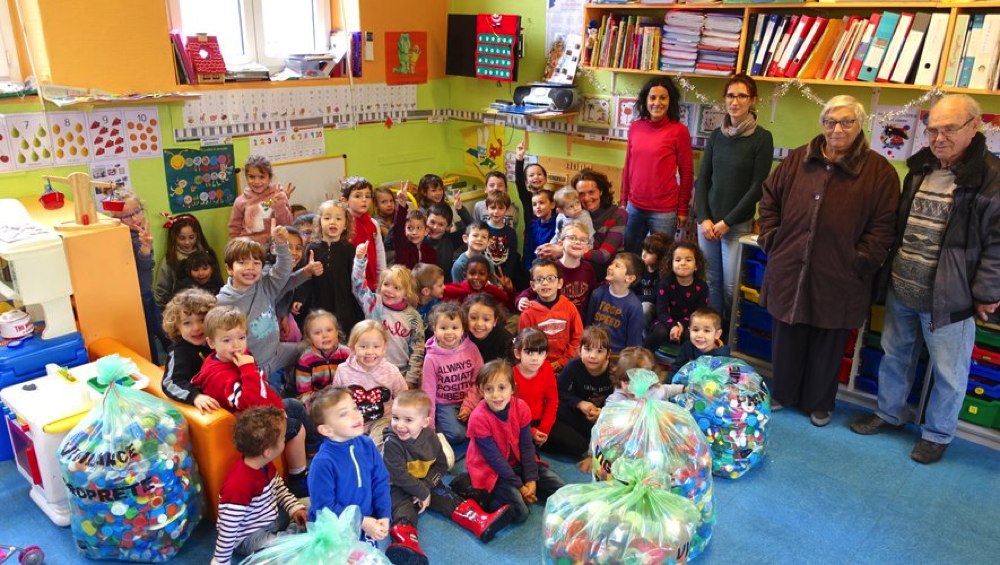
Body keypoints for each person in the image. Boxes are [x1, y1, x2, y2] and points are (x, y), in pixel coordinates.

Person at [851, 94, 1000, 464]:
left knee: (950, 372)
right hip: (903, 285)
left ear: (974, 127)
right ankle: (889, 413)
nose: (938, 138)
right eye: (932, 129)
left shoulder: (992, 180)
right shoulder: (919, 168)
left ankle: (937, 434)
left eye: (949, 129)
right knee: (895, 355)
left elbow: (997, 246)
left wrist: (986, 293)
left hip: (950, 296)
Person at [758, 94, 899, 427]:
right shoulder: (797, 159)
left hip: (841, 272)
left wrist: (859, 260)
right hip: (791, 263)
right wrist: (772, 238)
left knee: (829, 339)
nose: (837, 129)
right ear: (822, 124)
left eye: (846, 122)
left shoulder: (879, 171)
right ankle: (784, 393)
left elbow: (884, 227)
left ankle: (820, 402)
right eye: (830, 122)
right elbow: (769, 200)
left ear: (859, 124)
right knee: (788, 333)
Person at [383, 391, 514, 565]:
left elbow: (441, 465)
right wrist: (422, 492)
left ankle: (480, 521)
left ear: (425, 422)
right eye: (395, 418)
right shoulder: (392, 443)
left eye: (408, 420)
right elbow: (399, 476)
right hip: (396, 486)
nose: (399, 425)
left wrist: (427, 486)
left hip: (424, 482)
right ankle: (405, 543)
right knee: (403, 507)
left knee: (447, 496)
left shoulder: (431, 438)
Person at [192, 306, 310, 496]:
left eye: (241, 337)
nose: (237, 345)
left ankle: (312, 451)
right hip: (252, 424)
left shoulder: (233, 357)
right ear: (211, 343)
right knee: (296, 429)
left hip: (265, 409)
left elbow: (261, 387)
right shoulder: (220, 375)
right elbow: (250, 402)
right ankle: (297, 479)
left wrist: (277, 406)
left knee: (295, 405)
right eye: (227, 340)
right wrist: (248, 370)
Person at [696, 74, 774, 318]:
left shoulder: (761, 138)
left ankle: (729, 336)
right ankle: (713, 334)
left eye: (742, 96)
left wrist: (726, 222)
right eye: (731, 95)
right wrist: (703, 218)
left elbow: (757, 187)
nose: (735, 101)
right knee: (710, 283)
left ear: (752, 100)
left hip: (735, 225)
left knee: (731, 287)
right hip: (708, 224)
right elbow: (703, 180)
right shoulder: (717, 136)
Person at [217, 222, 323, 390]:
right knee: (272, 407)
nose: (250, 268)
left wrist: (281, 244)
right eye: (243, 263)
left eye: (256, 263)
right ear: (229, 269)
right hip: (254, 366)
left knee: (314, 350)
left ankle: (298, 386)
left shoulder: (264, 286)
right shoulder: (223, 302)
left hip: (276, 351)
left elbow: (283, 270)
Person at [460, 360, 567, 524]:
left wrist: (531, 478)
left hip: (517, 462)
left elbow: (526, 446)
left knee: (561, 490)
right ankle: (472, 489)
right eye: (489, 389)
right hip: (492, 469)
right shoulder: (478, 418)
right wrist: (520, 487)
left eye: (502, 387)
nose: (496, 395)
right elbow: (494, 459)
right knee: (520, 513)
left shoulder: (522, 407)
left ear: (512, 388)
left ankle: (518, 485)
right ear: (481, 390)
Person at [212, 406, 307, 565]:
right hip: (249, 537)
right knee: (285, 550)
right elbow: (228, 528)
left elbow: (279, 488)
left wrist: (294, 508)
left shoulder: (265, 464)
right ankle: (290, 538)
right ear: (268, 451)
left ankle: (293, 534)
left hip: (270, 518)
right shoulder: (239, 485)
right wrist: (220, 560)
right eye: (283, 438)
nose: (285, 440)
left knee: (309, 508)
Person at [307, 387, 391, 543]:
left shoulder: (367, 444)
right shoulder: (323, 463)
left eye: (355, 408)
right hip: (333, 532)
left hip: (364, 527)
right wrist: (361, 521)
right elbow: (324, 508)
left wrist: (384, 514)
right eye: (344, 414)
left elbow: (380, 481)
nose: (356, 415)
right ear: (327, 429)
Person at [621, 76, 694, 254]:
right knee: (630, 257)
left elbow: (687, 173)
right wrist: (624, 200)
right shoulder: (635, 127)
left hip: (664, 211)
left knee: (661, 261)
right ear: (645, 100)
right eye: (652, 97)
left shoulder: (679, 131)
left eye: (663, 97)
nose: (657, 103)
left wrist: (683, 208)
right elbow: (628, 164)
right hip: (634, 206)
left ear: (671, 101)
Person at [107, 191, 169, 363]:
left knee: (160, 329)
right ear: (116, 220)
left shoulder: (140, 234)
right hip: (137, 295)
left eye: (137, 212)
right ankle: (157, 364)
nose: (134, 219)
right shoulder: (128, 238)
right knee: (150, 333)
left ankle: (173, 359)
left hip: (144, 292)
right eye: (126, 216)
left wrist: (146, 246)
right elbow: (145, 264)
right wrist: (145, 248)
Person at [352, 243, 426, 386]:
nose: (389, 291)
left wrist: (410, 379)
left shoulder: (413, 317)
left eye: (397, 288)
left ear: (407, 292)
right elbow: (358, 285)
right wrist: (359, 260)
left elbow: (417, 349)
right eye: (386, 284)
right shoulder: (374, 303)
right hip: (371, 370)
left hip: (401, 373)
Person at [536, 169, 627, 281]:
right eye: (581, 194)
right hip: (574, 260)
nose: (587, 198)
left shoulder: (618, 214)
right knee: (539, 263)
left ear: (601, 191)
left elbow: (603, 255)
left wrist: (563, 250)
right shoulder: (574, 212)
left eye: (591, 192)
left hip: (602, 269)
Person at [547, 327, 614, 471]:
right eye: (588, 349)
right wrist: (579, 403)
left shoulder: (614, 371)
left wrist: (603, 413)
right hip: (578, 412)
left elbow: (621, 401)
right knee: (558, 410)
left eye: (599, 351)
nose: (592, 356)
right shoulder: (574, 366)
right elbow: (558, 391)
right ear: (580, 350)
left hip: (602, 417)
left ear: (608, 354)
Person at [333, 320, 408, 449]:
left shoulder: (391, 371)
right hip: (352, 420)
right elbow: (335, 400)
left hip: (382, 420)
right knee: (344, 446)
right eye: (363, 347)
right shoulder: (343, 370)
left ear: (384, 347)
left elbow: (404, 399)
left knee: (380, 443)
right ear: (352, 347)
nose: (369, 352)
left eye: (376, 346)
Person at [298, 200, 365, 339]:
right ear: (320, 222)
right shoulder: (312, 248)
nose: (332, 222)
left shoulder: (348, 249)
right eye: (327, 218)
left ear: (345, 224)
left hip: (343, 303)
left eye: (338, 218)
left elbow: (355, 279)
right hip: (319, 302)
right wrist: (300, 299)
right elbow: (305, 279)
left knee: (343, 336)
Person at [421, 302, 484, 446]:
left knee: (484, 426)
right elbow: (428, 392)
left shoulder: (472, 349)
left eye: (455, 327)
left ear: (463, 329)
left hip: (470, 399)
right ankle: (440, 421)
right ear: (434, 329)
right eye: (443, 328)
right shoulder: (431, 358)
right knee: (457, 435)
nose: (449, 332)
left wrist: (469, 405)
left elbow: (479, 381)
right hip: (445, 404)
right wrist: (429, 425)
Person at [516, 223, 596, 318]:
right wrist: (521, 300)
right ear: (560, 244)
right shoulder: (551, 269)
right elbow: (531, 290)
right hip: (555, 321)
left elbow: (593, 291)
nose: (577, 242)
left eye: (582, 240)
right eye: (572, 238)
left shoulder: (588, 268)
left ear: (587, 248)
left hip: (578, 321)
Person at [518, 259, 583, 373]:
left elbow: (578, 337)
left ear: (560, 283)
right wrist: (539, 364)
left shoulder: (569, 307)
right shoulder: (527, 314)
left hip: (568, 364)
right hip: (537, 367)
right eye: (539, 279)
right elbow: (524, 344)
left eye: (550, 278)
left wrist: (562, 361)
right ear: (533, 285)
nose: (545, 283)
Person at [160, 288, 220, 413]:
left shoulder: (216, 340)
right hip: (208, 402)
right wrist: (195, 396)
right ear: (177, 327)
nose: (196, 328)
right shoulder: (179, 352)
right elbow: (170, 383)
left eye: (202, 320)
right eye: (187, 323)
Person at [644, 241, 709, 352]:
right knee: (660, 332)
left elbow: (698, 314)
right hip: (665, 321)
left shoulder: (702, 287)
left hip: (689, 323)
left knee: (693, 336)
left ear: (696, 266)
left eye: (688, 260)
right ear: (671, 264)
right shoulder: (665, 284)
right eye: (678, 260)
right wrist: (673, 326)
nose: (683, 263)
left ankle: (686, 363)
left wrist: (681, 325)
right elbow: (662, 312)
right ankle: (643, 355)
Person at [154, 213, 222, 308]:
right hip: (183, 309)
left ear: (197, 236)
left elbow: (218, 282)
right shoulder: (170, 259)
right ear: (174, 237)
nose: (187, 242)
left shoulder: (208, 254)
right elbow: (161, 292)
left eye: (191, 237)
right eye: (182, 238)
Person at [586, 252, 645, 353]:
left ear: (629, 278)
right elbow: (587, 325)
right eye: (611, 264)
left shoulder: (634, 306)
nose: (610, 267)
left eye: (617, 266)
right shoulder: (597, 293)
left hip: (617, 355)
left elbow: (633, 342)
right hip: (593, 349)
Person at [228, 155, 294, 244]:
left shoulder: (278, 196)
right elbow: (234, 228)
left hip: (274, 245)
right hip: (249, 248)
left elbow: (287, 225)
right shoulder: (240, 201)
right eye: (251, 177)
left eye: (262, 177)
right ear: (246, 176)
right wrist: (236, 247)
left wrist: (280, 205)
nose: (256, 181)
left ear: (269, 178)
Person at [511, 328, 558, 449]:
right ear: (517, 353)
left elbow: (553, 401)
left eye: (540, 353)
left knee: (578, 445)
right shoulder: (510, 374)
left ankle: (536, 442)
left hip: (541, 421)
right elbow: (509, 411)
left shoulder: (547, 368)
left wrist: (544, 430)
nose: (535, 358)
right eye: (529, 353)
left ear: (545, 355)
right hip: (518, 424)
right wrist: (531, 432)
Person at [294, 310, 351, 406]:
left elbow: (355, 380)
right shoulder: (306, 360)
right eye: (317, 333)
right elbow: (303, 394)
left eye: (329, 330)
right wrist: (320, 404)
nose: (325, 335)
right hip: (318, 401)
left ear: (337, 332)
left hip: (344, 396)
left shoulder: (347, 354)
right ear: (309, 338)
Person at [342, 176, 386, 290]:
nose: (364, 200)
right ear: (345, 200)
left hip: (372, 283)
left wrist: (383, 277)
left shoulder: (373, 223)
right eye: (358, 196)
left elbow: (379, 251)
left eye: (368, 196)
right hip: (350, 284)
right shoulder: (342, 224)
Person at [606, 346, 683, 403]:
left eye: (638, 382)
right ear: (620, 379)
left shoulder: (653, 390)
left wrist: (683, 389)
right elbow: (608, 416)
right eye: (627, 382)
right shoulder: (617, 399)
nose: (631, 388)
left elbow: (666, 390)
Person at [669, 307, 731, 377]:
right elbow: (676, 368)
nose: (700, 335)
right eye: (695, 330)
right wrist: (668, 385)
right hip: (685, 386)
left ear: (717, 334)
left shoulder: (722, 355)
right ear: (689, 331)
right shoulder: (687, 347)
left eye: (707, 331)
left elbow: (722, 378)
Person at [444, 255, 513, 309]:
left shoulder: (493, 291)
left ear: (488, 277)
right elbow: (441, 291)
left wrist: (510, 292)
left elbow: (509, 305)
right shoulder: (459, 289)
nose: (476, 277)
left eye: (482, 274)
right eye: (472, 273)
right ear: (465, 275)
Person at [393, 187, 438, 269]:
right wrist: (402, 204)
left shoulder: (430, 251)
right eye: (409, 228)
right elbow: (398, 227)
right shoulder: (402, 246)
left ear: (426, 231)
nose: (414, 232)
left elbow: (433, 272)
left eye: (419, 228)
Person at [464, 292, 513, 363]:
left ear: (495, 321)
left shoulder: (505, 340)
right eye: (473, 318)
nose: (479, 324)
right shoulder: (460, 335)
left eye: (486, 319)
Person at [636, 233, 671, 325]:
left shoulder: (663, 274)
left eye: (649, 252)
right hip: (637, 302)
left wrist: (633, 299)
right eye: (643, 249)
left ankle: (644, 336)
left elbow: (655, 298)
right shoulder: (639, 267)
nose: (643, 254)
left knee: (645, 307)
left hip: (654, 307)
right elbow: (632, 287)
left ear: (661, 257)